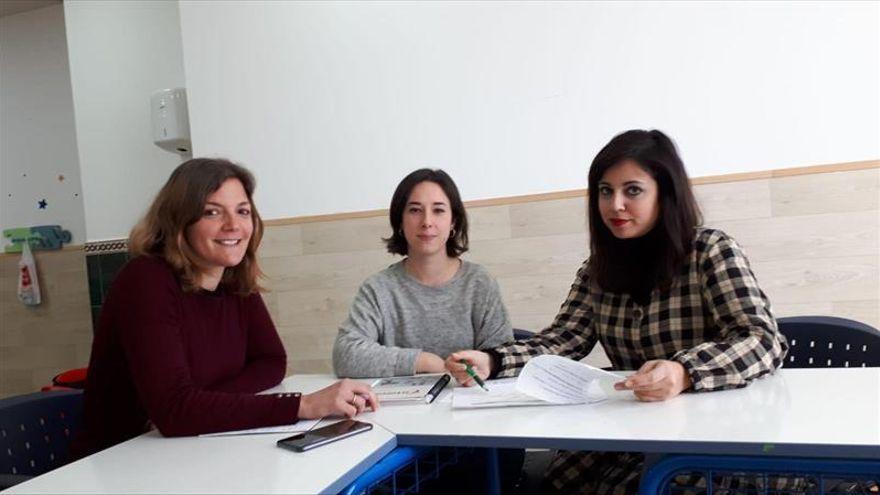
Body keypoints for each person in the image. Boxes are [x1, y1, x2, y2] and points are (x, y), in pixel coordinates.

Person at [446, 130, 789, 494]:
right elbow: (563, 339)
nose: (616, 205)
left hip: (714, 434)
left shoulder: (710, 250)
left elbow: (762, 339)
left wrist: (685, 371)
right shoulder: (597, 270)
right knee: (557, 483)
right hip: (632, 429)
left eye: (633, 190)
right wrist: (493, 361)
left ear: (665, 193)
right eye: (605, 191)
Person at [75, 158, 378, 457]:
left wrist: (204, 403)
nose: (233, 225)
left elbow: (271, 361)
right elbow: (175, 411)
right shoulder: (145, 279)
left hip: (192, 450)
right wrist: (304, 405)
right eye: (212, 212)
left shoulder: (234, 279)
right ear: (179, 220)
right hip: (123, 461)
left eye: (242, 211)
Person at [333, 168, 513, 378]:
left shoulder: (479, 282)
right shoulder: (378, 288)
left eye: (438, 210)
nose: (427, 221)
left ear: (453, 221)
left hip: (469, 404)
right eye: (415, 210)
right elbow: (345, 355)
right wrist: (423, 361)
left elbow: (503, 356)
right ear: (400, 221)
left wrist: (485, 364)